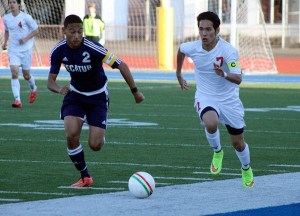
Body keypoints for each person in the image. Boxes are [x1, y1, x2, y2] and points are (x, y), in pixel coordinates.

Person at [47, 14, 144, 187]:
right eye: (72, 32)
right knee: (71, 135)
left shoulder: (94, 48)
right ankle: (85, 176)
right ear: (64, 31)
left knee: (95, 145)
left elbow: (121, 65)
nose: (77, 35)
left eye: (79, 31)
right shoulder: (58, 50)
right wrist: (59, 88)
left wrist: (135, 91)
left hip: (98, 97)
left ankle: (99, 134)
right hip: (75, 96)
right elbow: (50, 82)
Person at [176, 11, 254, 188]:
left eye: (208, 29)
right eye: (201, 29)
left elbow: (238, 78)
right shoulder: (193, 47)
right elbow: (180, 51)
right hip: (206, 96)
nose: (204, 33)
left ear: (217, 30)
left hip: (229, 101)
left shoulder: (228, 51)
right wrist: (178, 74)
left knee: (238, 143)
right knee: (210, 123)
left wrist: (224, 74)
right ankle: (217, 152)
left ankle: (246, 168)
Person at [2, 0, 38, 108]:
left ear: (18, 4)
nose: (12, 4)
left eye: (14, 2)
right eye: (10, 2)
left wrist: (26, 38)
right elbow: (7, 31)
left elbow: (36, 30)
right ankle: (17, 100)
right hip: (13, 50)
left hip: (26, 50)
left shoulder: (26, 17)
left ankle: (33, 88)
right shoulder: (6, 18)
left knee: (26, 75)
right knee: (14, 72)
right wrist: (5, 42)